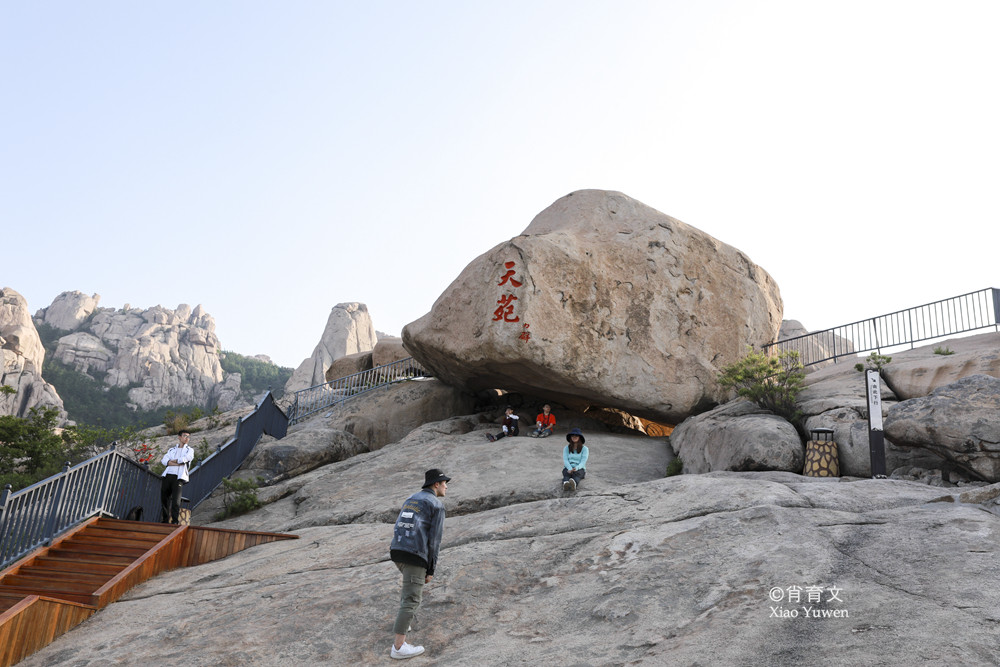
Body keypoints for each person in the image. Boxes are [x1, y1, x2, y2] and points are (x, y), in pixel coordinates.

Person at [388, 468, 450, 660]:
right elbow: (435, 541)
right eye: (444, 483)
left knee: (409, 590)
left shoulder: (411, 498)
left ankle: (404, 623)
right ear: (436, 484)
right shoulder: (436, 505)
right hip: (415, 554)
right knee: (412, 599)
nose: (446, 486)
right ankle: (399, 647)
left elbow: (398, 523)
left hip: (397, 550)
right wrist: (430, 569)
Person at [160, 430, 195, 524]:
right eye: (185, 436)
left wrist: (173, 461)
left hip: (178, 477)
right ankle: (165, 520)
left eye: (188, 436)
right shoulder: (172, 449)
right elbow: (164, 460)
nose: (187, 438)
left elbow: (187, 458)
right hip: (167, 476)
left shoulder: (190, 450)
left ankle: (174, 521)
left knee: (176, 501)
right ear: (179, 437)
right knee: (164, 499)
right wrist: (176, 463)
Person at [562, 428, 589, 492]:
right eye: (572, 436)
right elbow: (565, 460)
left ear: (579, 437)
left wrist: (576, 468)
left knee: (576, 475)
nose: (574, 437)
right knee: (566, 475)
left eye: (576, 436)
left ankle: (574, 485)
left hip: (579, 468)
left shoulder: (585, 449)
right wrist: (569, 468)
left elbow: (583, 461)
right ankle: (565, 484)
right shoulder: (566, 448)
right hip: (568, 468)